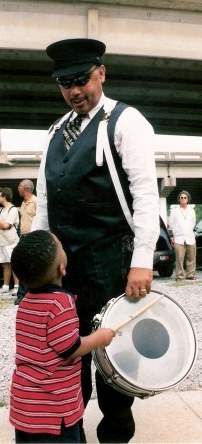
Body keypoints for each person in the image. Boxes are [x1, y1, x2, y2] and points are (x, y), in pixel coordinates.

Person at [31, 38, 160, 443]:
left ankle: (116, 434)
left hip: (112, 263)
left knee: (113, 361)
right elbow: (46, 203)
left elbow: (145, 195)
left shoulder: (127, 122)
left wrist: (142, 260)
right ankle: (72, 431)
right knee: (68, 356)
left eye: (81, 80)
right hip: (65, 271)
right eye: (65, 83)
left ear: (101, 73)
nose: (74, 91)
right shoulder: (55, 133)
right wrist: (39, 265)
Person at [9, 230, 115, 443]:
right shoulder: (61, 304)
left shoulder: (25, 303)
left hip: (25, 408)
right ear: (62, 268)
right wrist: (100, 337)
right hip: (54, 413)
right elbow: (70, 348)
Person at [15, 179, 37, 305]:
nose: (18, 189)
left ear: (25, 188)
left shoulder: (36, 202)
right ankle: (22, 295)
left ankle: (27, 295)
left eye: (19, 187)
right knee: (23, 265)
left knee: (31, 267)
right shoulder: (23, 203)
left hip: (33, 237)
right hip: (23, 238)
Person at [169, 190, 196, 281]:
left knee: (191, 257)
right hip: (179, 238)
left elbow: (193, 223)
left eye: (185, 198)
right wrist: (174, 235)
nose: (183, 199)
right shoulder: (174, 211)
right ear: (179, 199)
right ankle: (179, 276)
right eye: (182, 198)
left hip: (190, 237)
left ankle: (190, 274)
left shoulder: (192, 211)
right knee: (179, 258)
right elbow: (171, 224)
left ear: (188, 199)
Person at [0, 187, 19, 295]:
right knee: (5, 264)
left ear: (4, 197)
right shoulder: (1, 210)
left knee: (14, 263)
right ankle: (6, 286)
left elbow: (6, 225)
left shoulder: (13, 210)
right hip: (2, 241)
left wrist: (2, 224)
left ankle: (16, 286)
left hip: (11, 241)